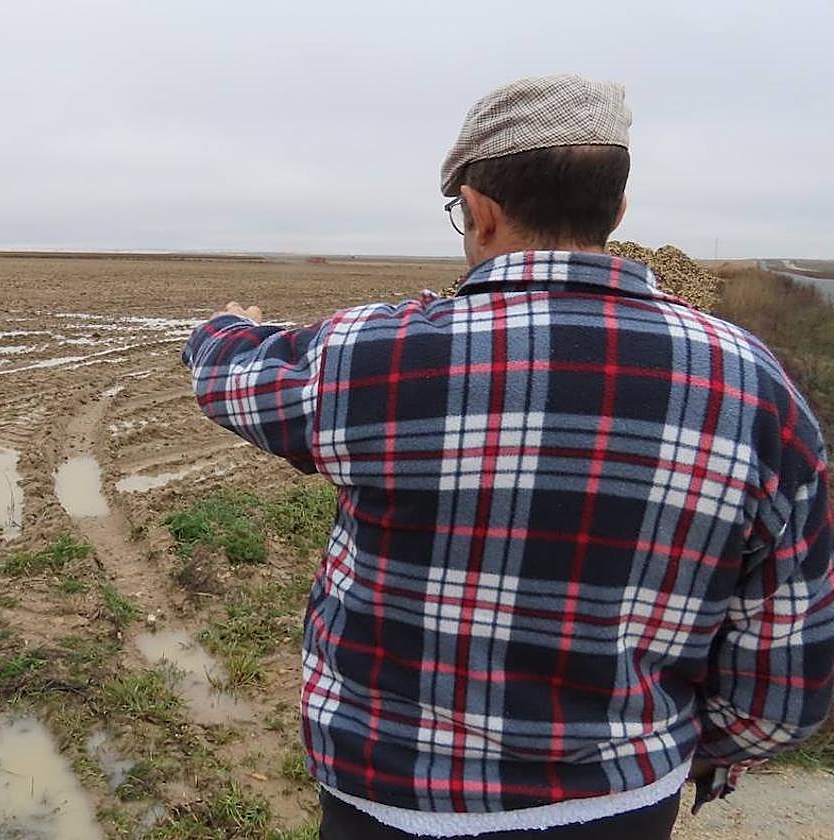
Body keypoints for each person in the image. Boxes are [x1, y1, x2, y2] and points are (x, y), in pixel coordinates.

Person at [181, 74, 834, 839]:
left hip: (388, 801)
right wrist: (686, 750)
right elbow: (784, 682)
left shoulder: (383, 357)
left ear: (481, 212)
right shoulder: (756, 387)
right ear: (617, 211)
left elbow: (235, 378)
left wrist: (222, 326)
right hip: (620, 804)